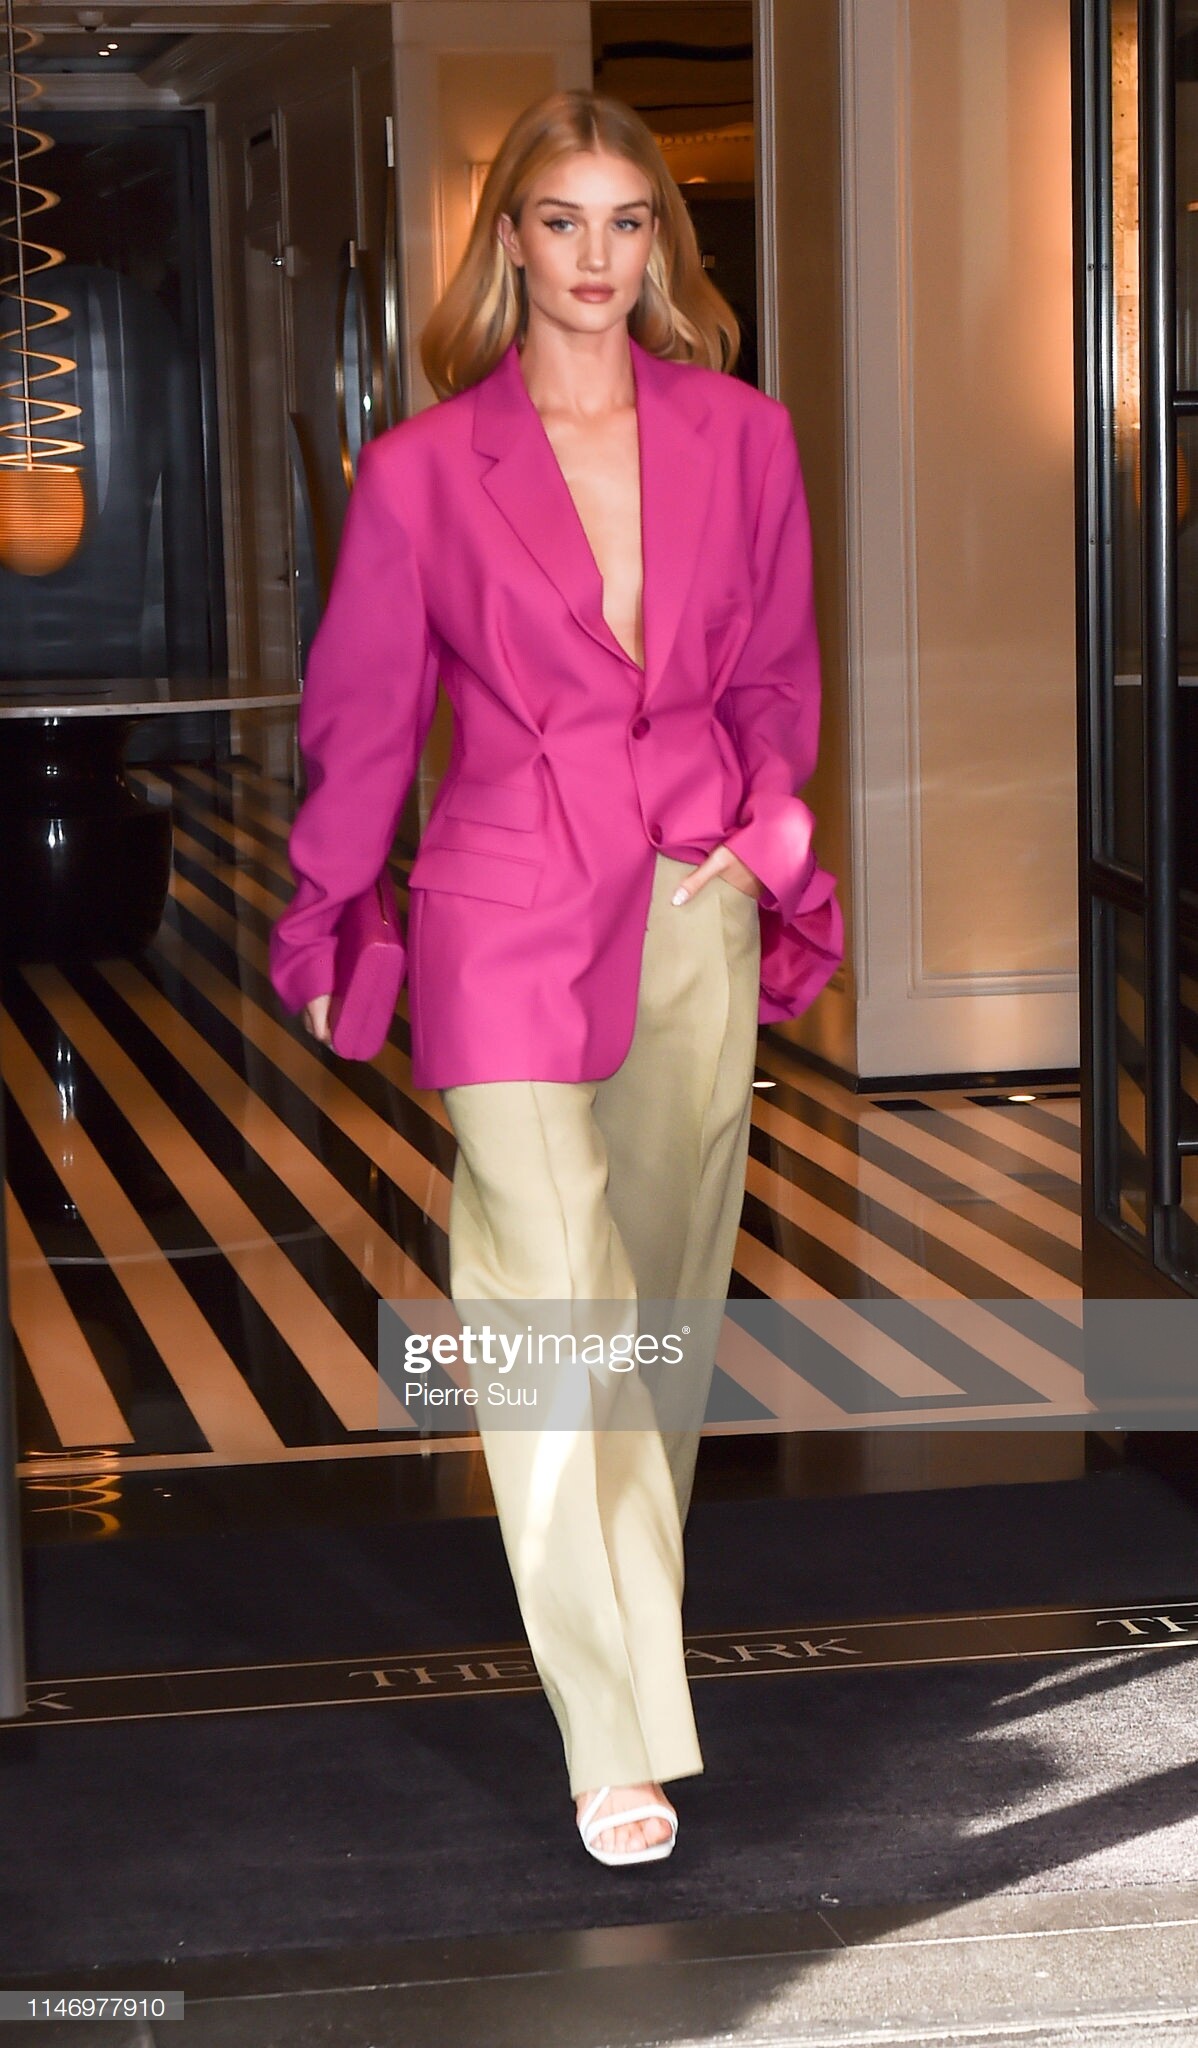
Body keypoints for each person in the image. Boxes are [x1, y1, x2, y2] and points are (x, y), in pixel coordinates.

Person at [269, 88, 843, 1867]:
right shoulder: (422, 471)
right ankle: (612, 1734)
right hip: (504, 911)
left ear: (658, 242)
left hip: (689, 904)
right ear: (507, 240)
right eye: (561, 220)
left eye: (625, 221)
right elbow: (364, 722)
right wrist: (323, 914)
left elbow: (777, 677)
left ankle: (623, 1652)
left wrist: (761, 831)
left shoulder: (743, 435)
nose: (595, 256)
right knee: (549, 1314)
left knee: (653, 1320)